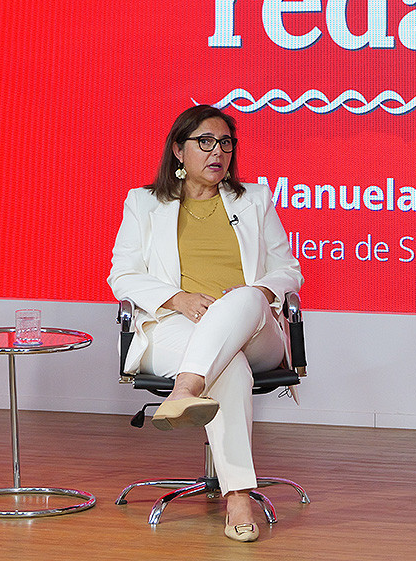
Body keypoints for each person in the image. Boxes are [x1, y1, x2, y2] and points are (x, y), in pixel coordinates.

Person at [108, 104, 302, 543]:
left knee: (248, 297)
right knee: (228, 364)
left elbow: (289, 270)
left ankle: (184, 391)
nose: (218, 152)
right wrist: (176, 298)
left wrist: (259, 295)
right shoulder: (143, 203)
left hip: (255, 330)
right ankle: (238, 495)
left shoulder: (254, 200)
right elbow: (122, 274)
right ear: (179, 150)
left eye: (226, 144)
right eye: (206, 142)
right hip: (176, 323)